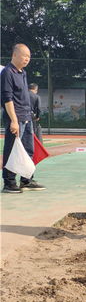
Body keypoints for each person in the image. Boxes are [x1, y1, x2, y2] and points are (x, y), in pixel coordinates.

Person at [1, 44, 45, 193]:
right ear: (14, 55)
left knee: (28, 150)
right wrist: (13, 120)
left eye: (29, 57)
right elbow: (7, 98)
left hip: (27, 118)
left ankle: (26, 180)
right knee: (12, 150)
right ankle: (9, 182)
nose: (27, 59)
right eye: (24, 56)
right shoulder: (8, 73)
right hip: (16, 118)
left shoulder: (23, 73)